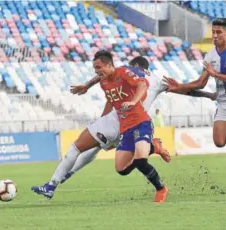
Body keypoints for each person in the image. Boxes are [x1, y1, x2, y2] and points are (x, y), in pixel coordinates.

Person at [31, 54, 216, 200]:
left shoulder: (127, 72)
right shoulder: (158, 80)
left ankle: (57, 180)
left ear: (132, 65)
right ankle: (60, 178)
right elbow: (187, 91)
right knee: (106, 156)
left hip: (121, 122)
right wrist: (209, 96)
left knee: (83, 147)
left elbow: (108, 78)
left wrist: (87, 87)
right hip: (128, 123)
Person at [92, 51, 169, 202]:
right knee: (121, 169)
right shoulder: (103, 83)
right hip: (125, 128)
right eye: (95, 68)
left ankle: (161, 189)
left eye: (99, 67)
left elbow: (142, 84)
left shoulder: (124, 71)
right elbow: (111, 102)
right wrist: (101, 122)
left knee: (140, 161)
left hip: (141, 122)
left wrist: (134, 101)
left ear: (109, 65)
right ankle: (154, 147)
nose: (96, 71)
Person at [164, 18, 226, 147]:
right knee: (219, 142)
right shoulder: (210, 56)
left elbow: (214, 75)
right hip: (223, 102)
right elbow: (200, 83)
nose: (214, 36)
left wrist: (215, 74)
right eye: (213, 32)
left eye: (219, 32)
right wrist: (180, 86)